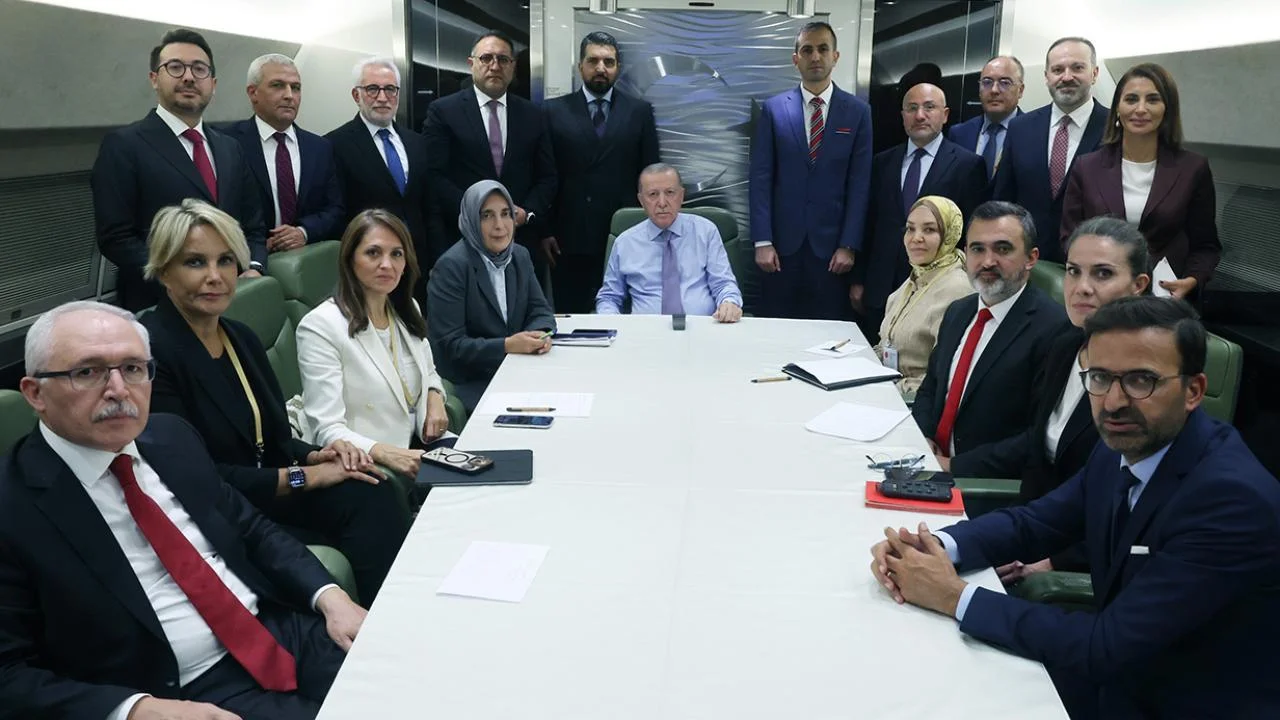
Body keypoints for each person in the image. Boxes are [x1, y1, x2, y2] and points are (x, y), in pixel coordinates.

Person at [870, 296, 1280, 719]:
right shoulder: (1124, 444)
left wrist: (952, 596)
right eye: (1099, 377)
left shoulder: (1230, 501)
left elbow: (1107, 646)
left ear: (1193, 391)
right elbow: (1035, 523)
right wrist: (932, 546)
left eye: (1141, 380)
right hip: (1123, 678)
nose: (1113, 401)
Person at [1, 300, 366, 720]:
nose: (119, 390)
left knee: (408, 680)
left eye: (133, 368)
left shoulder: (172, 437)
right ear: (35, 393)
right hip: (176, 691)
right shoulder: (12, 506)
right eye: (87, 372)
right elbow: (8, 673)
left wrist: (331, 597)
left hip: (277, 630)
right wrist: (134, 710)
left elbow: (252, 529)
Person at [138, 200, 410, 605]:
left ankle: (394, 610)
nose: (215, 276)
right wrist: (305, 476)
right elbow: (198, 480)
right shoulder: (149, 353)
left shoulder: (241, 338)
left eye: (225, 261)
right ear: (164, 271)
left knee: (372, 488)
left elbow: (274, 439)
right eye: (195, 262)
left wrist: (316, 455)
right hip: (220, 512)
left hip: (271, 490)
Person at [952, 217, 1151, 578]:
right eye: (1074, 272)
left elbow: (1134, 512)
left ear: (1138, 286)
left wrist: (1050, 564)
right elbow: (1037, 459)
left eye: (1102, 274)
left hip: (1082, 566)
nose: (1082, 288)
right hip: (1031, 531)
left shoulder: (1145, 382)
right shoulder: (1063, 345)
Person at [92, 28, 266, 311]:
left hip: (230, 298)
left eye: (199, 69)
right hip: (159, 304)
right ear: (154, 79)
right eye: (175, 67)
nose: (188, 77)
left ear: (213, 84)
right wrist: (179, 277)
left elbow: (253, 224)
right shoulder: (124, 145)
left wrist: (254, 267)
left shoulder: (230, 148)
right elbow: (116, 237)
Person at [912, 201, 1069, 467]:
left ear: (1031, 258)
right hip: (928, 463)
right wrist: (923, 436)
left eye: (1003, 249)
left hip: (983, 482)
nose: (987, 261)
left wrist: (953, 466)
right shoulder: (958, 312)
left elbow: (1038, 437)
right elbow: (931, 388)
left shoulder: (1054, 329)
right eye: (977, 249)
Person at [296, 210, 449, 480]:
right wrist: (387, 453)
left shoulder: (407, 308)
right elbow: (327, 428)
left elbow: (429, 371)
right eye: (373, 253)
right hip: (365, 459)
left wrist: (435, 396)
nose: (387, 264)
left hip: (419, 441)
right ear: (350, 259)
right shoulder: (320, 326)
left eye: (396, 254)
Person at [1060, 62, 1221, 300]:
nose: (1141, 109)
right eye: (1131, 99)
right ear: (1117, 108)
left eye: (1153, 100)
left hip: (1164, 298)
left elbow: (1205, 245)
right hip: (1100, 294)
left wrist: (1193, 279)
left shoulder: (1193, 168)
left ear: (1167, 109)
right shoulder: (1087, 167)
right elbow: (1069, 237)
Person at [749, 20, 872, 320]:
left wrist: (849, 244)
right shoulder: (774, 109)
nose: (815, 56)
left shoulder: (858, 112)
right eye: (807, 50)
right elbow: (761, 178)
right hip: (780, 249)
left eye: (822, 49)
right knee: (776, 329)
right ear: (796, 59)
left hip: (832, 252)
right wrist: (762, 240)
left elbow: (860, 184)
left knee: (826, 332)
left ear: (835, 56)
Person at [853, 83, 986, 341]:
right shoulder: (882, 162)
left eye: (929, 107)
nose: (920, 115)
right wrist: (858, 279)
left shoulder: (968, 165)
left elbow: (970, 233)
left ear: (945, 115)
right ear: (903, 116)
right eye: (912, 108)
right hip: (880, 287)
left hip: (936, 290)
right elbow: (869, 224)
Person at [542, 31, 661, 313]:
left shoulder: (639, 112)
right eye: (593, 60)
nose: (601, 68)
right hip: (568, 238)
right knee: (573, 318)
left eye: (608, 62)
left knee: (626, 317)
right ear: (580, 66)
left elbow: (651, 175)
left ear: (618, 67)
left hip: (625, 234)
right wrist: (544, 231)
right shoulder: (552, 111)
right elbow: (544, 174)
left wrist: (653, 228)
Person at [423, 31, 557, 255]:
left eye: (503, 59)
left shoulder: (533, 115)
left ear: (513, 66)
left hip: (520, 240)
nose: (495, 66)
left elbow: (547, 176)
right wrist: (477, 212)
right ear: (471, 64)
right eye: (486, 58)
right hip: (464, 238)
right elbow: (434, 175)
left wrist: (527, 212)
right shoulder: (443, 112)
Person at [427, 180, 556, 413]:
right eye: (487, 216)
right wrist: (507, 346)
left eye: (506, 214)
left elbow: (541, 310)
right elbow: (450, 346)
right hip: (471, 383)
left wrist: (539, 335)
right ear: (470, 220)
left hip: (519, 369)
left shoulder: (520, 256)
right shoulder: (451, 267)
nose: (499, 225)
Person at [992, 37, 1109, 263]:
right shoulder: (1020, 128)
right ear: (1047, 77)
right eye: (1057, 70)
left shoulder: (1116, 129)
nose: (1067, 77)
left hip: (1091, 261)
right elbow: (1003, 199)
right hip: (1025, 259)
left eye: (1077, 68)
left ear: (1094, 74)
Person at [327, 57, 437, 297]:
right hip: (370, 268)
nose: (382, 97)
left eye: (390, 89)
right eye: (372, 89)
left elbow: (428, 206)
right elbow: (338, 212)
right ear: (356, 95)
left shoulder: (416, 143)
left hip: (416, 265)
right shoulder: (335, 145)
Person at [227, 53, 345, 250]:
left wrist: (303, 232)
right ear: (253, 93)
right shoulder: (228, 143)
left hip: (306, 257)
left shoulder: (319, 147)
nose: (289, 95)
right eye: (278, 85)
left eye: (295, 87)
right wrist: (255, 245)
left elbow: (335, 209)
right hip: (248, 259)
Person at [596, 164, 743, 321]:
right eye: (653, 194)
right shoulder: (625, 242)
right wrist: (612, 321)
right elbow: (609, 297)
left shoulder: (706, 231)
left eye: (670, 192)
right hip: (644, 330)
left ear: (681, 195)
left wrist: (729, 303)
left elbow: (723, 284)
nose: (662, 202)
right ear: (641, 200)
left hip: (703, 327)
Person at [874, 196, 973, 397]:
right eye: (910, 229)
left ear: (949, 235)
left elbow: (944, 378)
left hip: (912, 400)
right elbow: (885, 345)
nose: (916, 238)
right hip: (886, 385)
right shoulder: (918, 275)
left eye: (929, 230)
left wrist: (881, 391)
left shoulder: (958, 289)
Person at [946, 55, 1026, 179]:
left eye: (1005, 83)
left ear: (1020, 90)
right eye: (987, 82)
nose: (994, 90)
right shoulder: (959, 133)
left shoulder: (1034, 134)